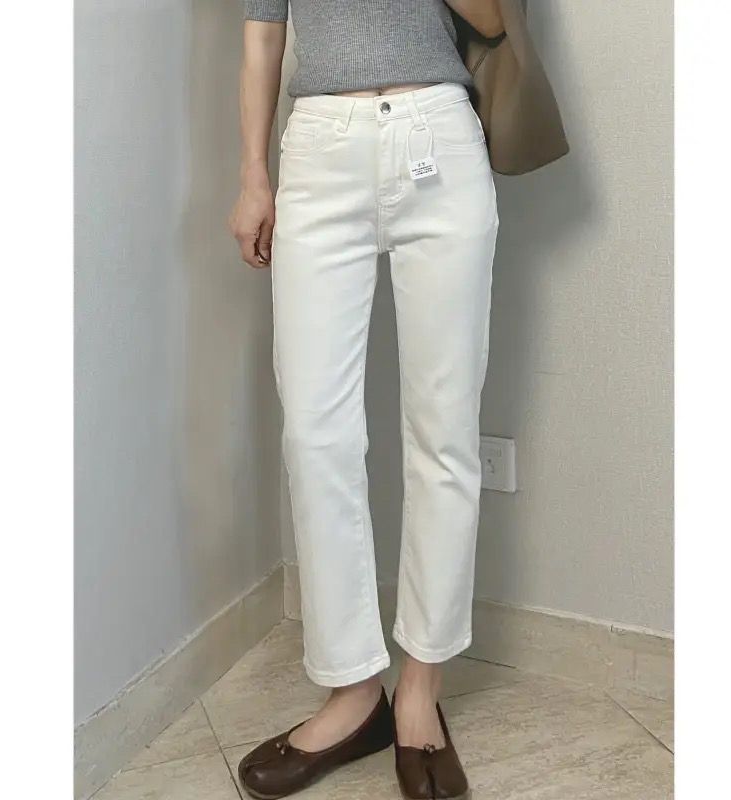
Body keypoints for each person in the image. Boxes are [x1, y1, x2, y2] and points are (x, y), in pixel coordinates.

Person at [229, 2, 503, 798]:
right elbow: (263, 31)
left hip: (437, 138)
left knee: (444, 433)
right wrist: (253, 174)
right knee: (315, 436)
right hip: (319, 147)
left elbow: (494, 17)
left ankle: (421, 689)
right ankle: (353, 692)